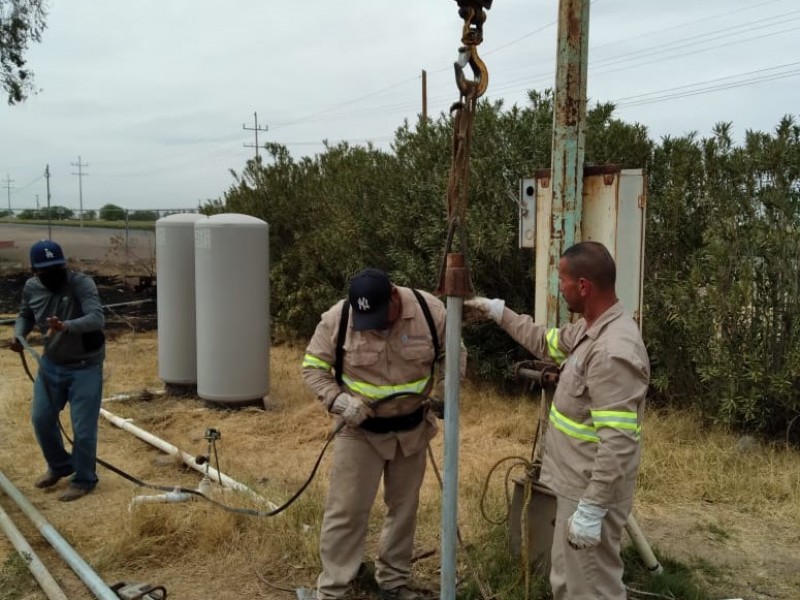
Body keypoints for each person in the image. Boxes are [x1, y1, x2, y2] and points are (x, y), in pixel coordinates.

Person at [464, 241, 649, 600]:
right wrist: (498, 312)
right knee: (568, 583)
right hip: (575, 488)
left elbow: (619, 443)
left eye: (561, 280)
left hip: (588, 493)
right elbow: (544, 340)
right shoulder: (589, 331)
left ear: (583, 286)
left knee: (590, 589)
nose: (558, 287)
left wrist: (593, 507)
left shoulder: (613, 350)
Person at [302, 268, 447, 600]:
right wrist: (339, 401)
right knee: (347, 510)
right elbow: (312, 366)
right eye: (368, 319)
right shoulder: (337, 320)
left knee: (403, 508)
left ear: (394, 297)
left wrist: (445, 390)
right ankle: (334, 588)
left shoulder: (430, 311)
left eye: (381, 316)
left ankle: (393, 583)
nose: (376, 325)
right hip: (360, 431)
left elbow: (454, 354)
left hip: (411, 430)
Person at [10, 240, 106, 502]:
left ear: (64, 265)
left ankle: (84, 479)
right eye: (46, 270)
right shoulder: (31, 288)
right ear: (34, 271)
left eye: (57, 268)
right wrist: (19, 334)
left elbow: (97, 318)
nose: (53, 274)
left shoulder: (81, 283)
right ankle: (60, 466)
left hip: (86, 366)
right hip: (51, 365)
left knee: (83, 429)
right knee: (41, 419)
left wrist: (66, 326)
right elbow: (25, 315)